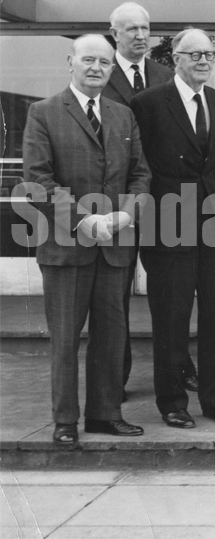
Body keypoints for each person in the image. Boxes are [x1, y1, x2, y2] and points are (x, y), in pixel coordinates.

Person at [20, 35, 150, 445]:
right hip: (66, 248)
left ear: (113, 69)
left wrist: (127, 213)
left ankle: (105, 415)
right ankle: (64, 422)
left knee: (111, 337)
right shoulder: (43, 113)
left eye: (104, 62)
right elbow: (38, 182)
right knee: (65, 340)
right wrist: (83, 221)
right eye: (88, 60)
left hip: (114, 247)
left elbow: (141, 174)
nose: (96, 67)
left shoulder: (122, 116)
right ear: (70, 63)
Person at [131, 27, 215, 428]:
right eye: (194, 55)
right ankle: (173, 402)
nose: (203, 61)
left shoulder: (214, 98)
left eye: (209, 54)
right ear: (174, 58)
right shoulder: (148, 102)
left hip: (211, 223)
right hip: (168, 224)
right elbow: (141, 164)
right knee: (171, 320)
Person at [101, 1, 177, 397]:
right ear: (115, 33)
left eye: (146, 28)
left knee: (171, 295)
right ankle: (117, 376)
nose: (141, 35)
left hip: (164, 205)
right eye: (131, 29)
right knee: (116, 296)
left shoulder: (166, 75)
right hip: (118, 205)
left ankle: (179, 368)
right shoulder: (101, 74)